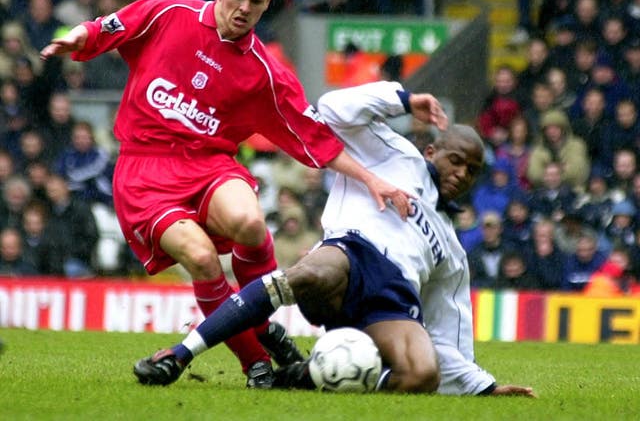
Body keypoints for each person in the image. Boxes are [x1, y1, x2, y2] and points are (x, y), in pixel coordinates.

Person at [39, 0, 412, 388]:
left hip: (209, 163)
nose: (244, 8)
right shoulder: (168, 13)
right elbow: (110, 27)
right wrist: (79, 36)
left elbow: (314, 139)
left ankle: (256, 321)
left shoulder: (265, 73)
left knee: (251, 225)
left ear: (268, 1)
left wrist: (370, 178)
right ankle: (256, 359)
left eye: (256, 1)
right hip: (145, 170)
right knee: (200, 258)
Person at [133, 81, 534, 397]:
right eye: (456, 161)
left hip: (393, 303)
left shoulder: (452, 248)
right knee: (315, 271)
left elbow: (450, 329)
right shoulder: (395, 154)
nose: (462, 173)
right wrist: (403, 99)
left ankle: (303, 376)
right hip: (350, 258)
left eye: (473, 170)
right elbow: (333, 109)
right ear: (431, 151)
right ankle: (179, 355)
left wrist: (483, 386)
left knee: (421, 374)